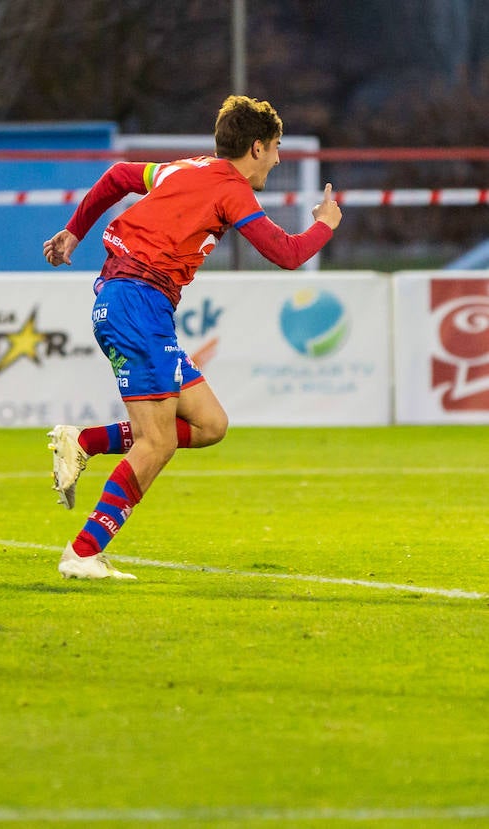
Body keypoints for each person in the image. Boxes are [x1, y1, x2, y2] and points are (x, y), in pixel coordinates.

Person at [41, 94, 342, 580]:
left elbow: (118, 176)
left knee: (209, 424)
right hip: (138, 303)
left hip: (130, 301)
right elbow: (286, 254)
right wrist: (325, 225)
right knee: (155, 443)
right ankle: (82, 552)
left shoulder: (184, 169)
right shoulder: (231, 188)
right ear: (258, 147)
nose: (281, 158)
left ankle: (85, 441)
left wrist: (74, 233)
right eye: (278, 147)